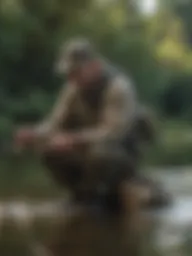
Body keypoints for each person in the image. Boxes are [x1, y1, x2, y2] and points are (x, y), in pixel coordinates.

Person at [14, 38, 169, 214]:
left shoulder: (118, 87)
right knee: (49, 149)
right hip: (91, 149)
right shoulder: (73, 88)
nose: (71, 78)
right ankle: (81, 195)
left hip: (121, 154)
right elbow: (54, 124)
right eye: (68, 73)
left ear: (95, 66)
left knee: (101, 152)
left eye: (76, 72)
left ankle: (93, 198)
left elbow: (112, 133)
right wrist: (34, 134)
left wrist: (73, 139)